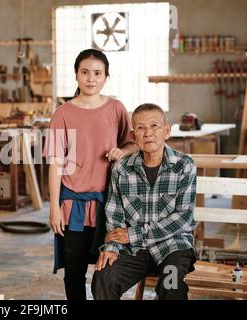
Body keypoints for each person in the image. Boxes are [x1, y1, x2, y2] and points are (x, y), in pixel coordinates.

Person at [43, 49, 136, 300]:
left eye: (97, 73)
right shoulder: (62, 113)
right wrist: (53, 206)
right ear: (76, 75)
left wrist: (122, 151)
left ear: (106, 77)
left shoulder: (116, 108)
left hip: (110, 204)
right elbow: (55, 163)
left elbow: (131, 144)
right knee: (74, 271)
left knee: (106, 268)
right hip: (72, 204)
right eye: (85, 72)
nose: (91, 78)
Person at [92, 103, 197, 300]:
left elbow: (183, 218)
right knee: (102, 277)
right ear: (133, 136)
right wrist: (112, 248)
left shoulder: (184, 166)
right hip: (134, 251)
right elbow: (115, 217)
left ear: (167, 131)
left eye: (154, 126)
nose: (148, 133)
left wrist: (134, 234)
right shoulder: (121, 169)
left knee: (171, 285)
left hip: (172, 247)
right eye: (140, 128)